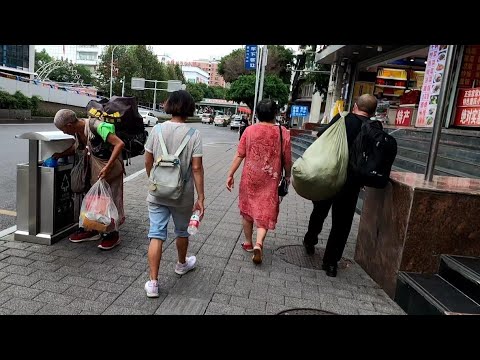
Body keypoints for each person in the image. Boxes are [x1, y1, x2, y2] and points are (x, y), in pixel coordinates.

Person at [303, 94, 378, 277]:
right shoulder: (374, 128)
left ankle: (310, 239)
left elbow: (322, 134)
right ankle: (330, 263)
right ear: (373, 111)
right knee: (342, 223)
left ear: (354, 106)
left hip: (330, 175)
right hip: (351, 183)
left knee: (319, 210)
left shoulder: (343, 118)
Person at [144, 90, 205, 298]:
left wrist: (153, 180)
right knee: (182, 231)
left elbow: (147, 159)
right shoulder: (193, 134)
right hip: (182, 194)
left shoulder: (157, 129)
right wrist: (201, 198)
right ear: (189, 108)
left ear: (169, 105)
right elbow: (196, 168)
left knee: (156, 234)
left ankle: (153, 283)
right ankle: (181, 264)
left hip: (157, 192)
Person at [226, 99, 292, 265]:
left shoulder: (249, 130)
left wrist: (230, 174)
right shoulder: (283, 132)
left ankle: (248, 242)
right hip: (271, 178)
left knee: (247, 210)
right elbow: (288, 159)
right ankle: (259, 243)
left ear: (257, 113)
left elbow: (240, 154)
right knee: (265, 209)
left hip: (250, 178)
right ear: (275, 114)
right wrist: (288, 175)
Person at [53, 109, 125, 250]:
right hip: (95, 168)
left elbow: (119, 144)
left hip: (110, 168)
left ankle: (112, 235)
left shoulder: (97, 126)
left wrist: (107, 168)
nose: (63, 132)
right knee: (95, 200)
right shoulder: (78, 132)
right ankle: (92, 229)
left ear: (68, 125)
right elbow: (77, 147)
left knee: (109, 200)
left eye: (62, 129)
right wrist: (60, 154)